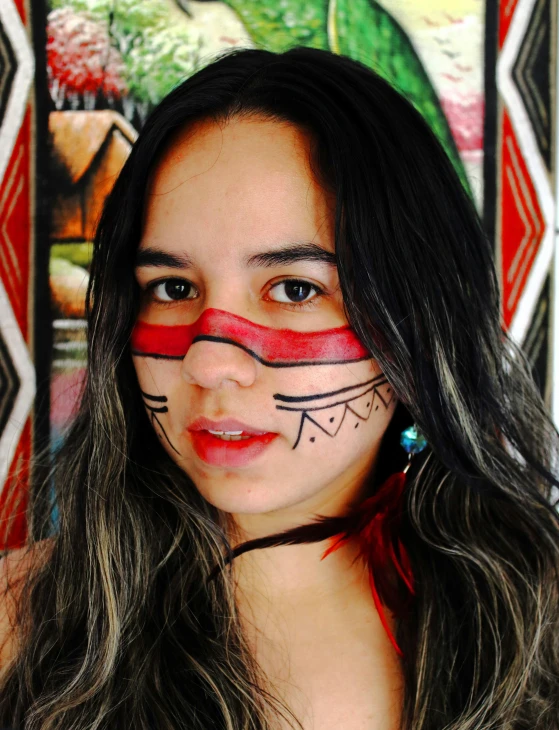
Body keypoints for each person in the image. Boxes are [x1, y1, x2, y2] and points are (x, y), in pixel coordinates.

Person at [1, 45, 558, 730]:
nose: (209, 364)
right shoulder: (16, 624)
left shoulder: (542, 623)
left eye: (294, 289)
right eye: (172, 288)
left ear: (418, 321)